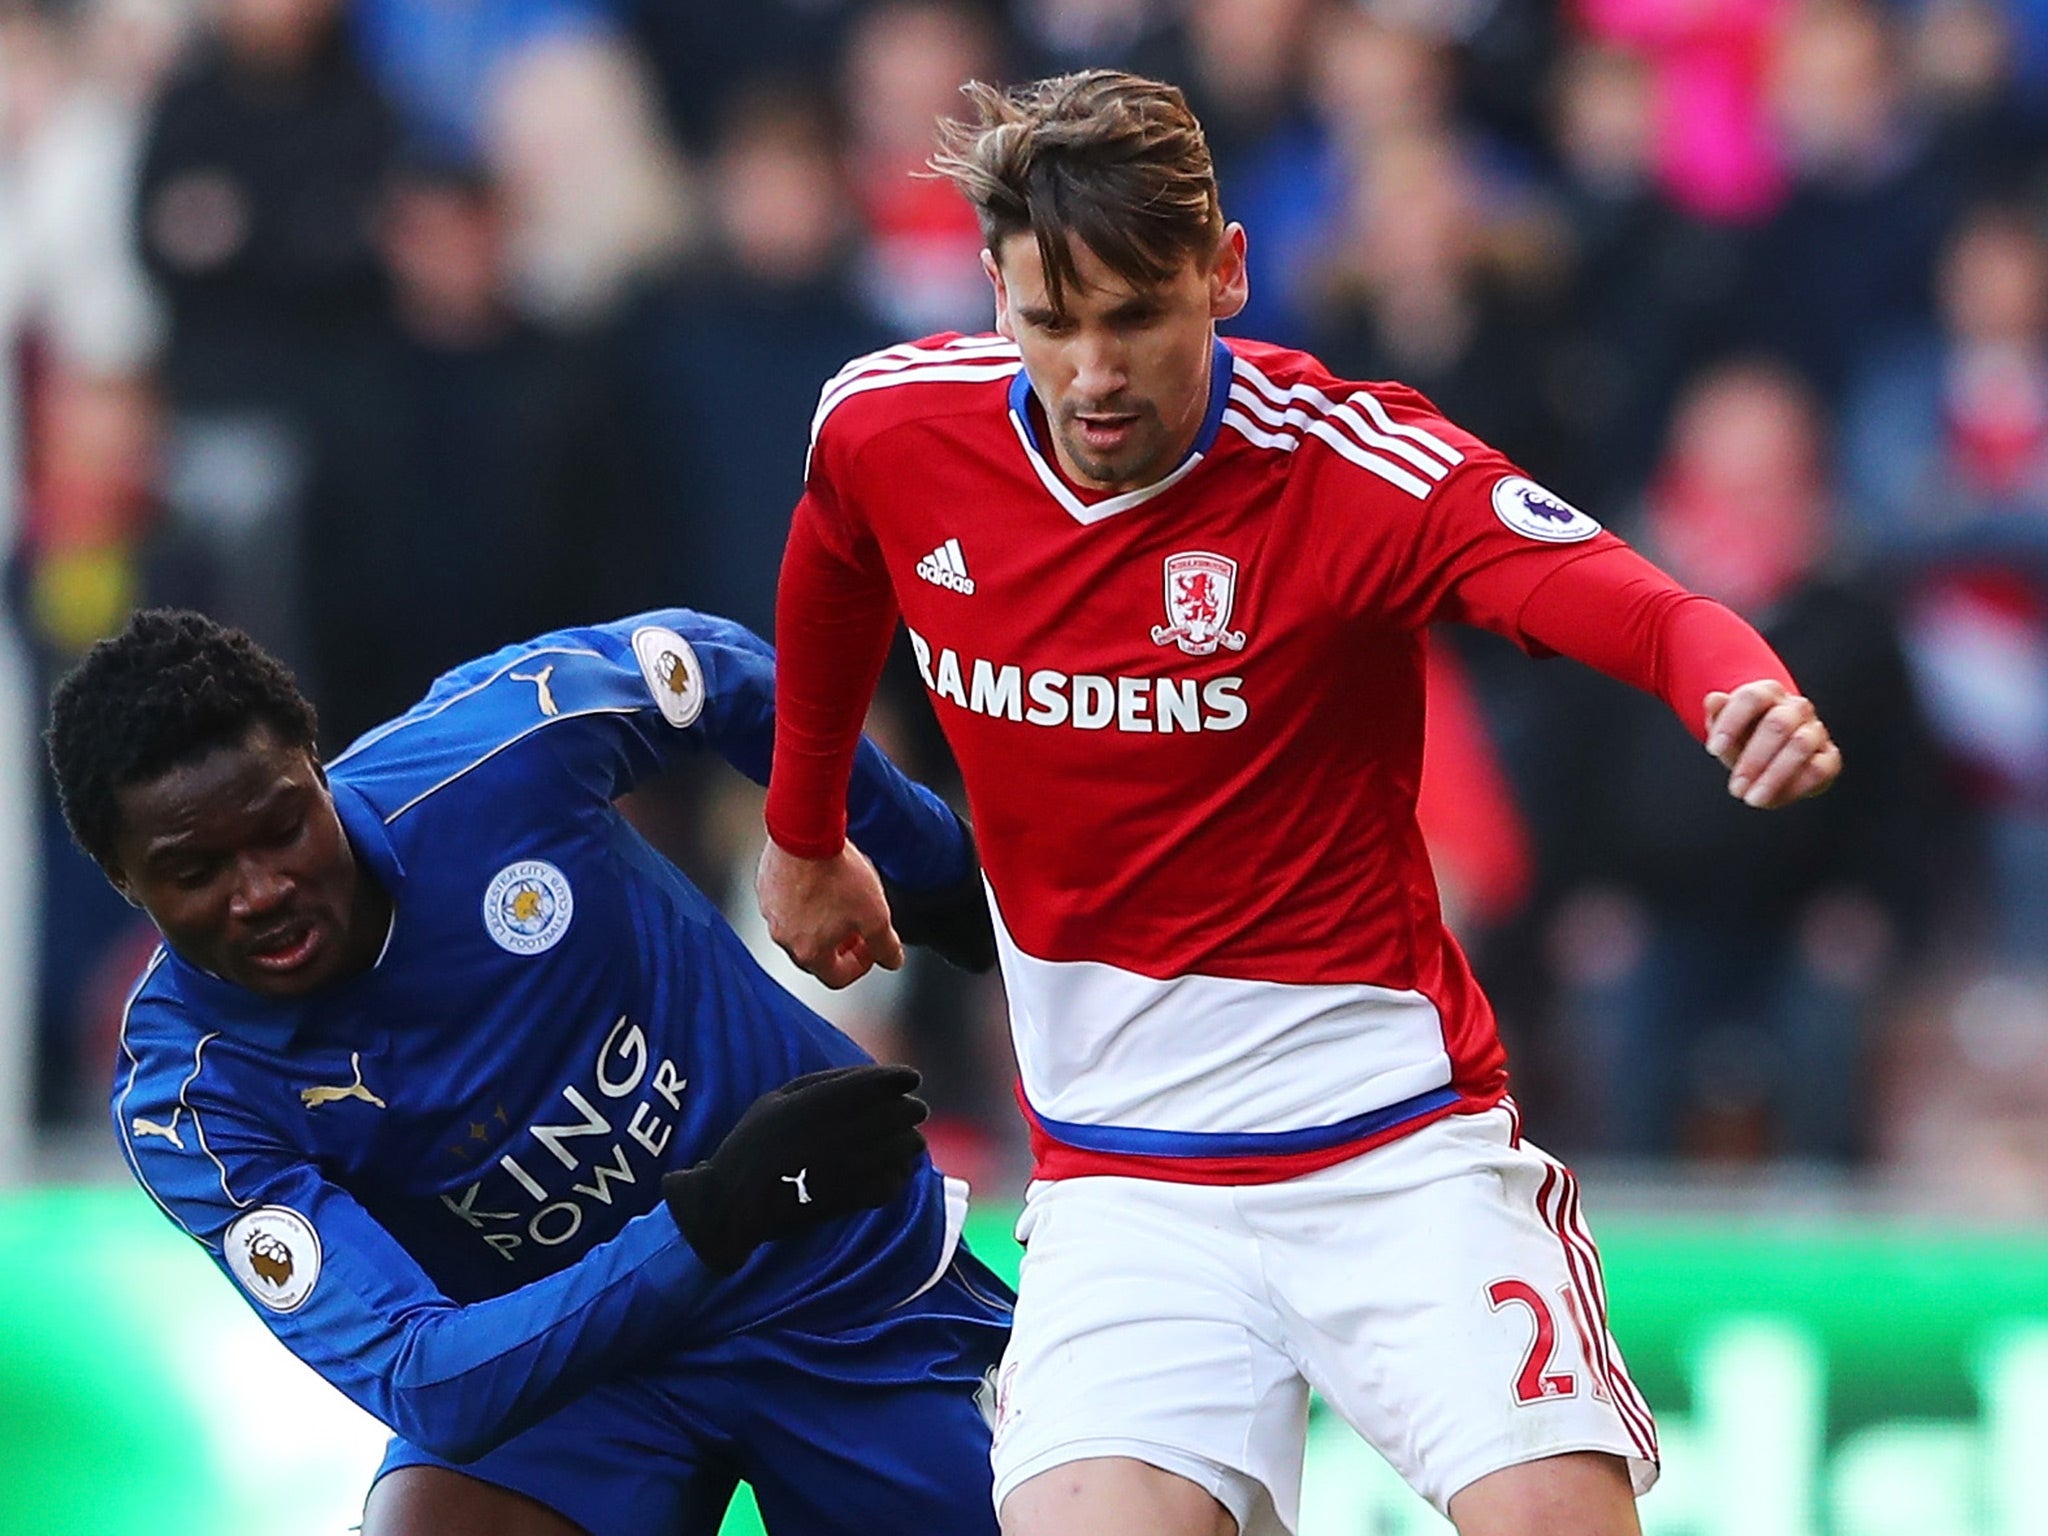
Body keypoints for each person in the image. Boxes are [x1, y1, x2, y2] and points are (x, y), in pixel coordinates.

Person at [755, 71, 1842, 1536]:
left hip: (1395, 1152)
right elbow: (833, 553)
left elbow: (1617, 598)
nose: (1092, 373)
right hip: (1122, 1186)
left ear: (1226, 274)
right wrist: (803, 830)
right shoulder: (893, 429)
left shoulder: (1350, 468)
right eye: (1049, 322)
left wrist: (1731, 676)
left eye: (1136, 314)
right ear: (995, 296)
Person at [47, 606, 1011, 1536]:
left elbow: (717, 669)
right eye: (197, 870)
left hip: (831, 1287)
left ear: (317, 770)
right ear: (126, 882)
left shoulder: (495, 753)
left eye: (281, 826)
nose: (261, 890)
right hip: (570, 1376)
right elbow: (429, 1378)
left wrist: (935, 871)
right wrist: (712, 1216)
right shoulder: (192, 1099)